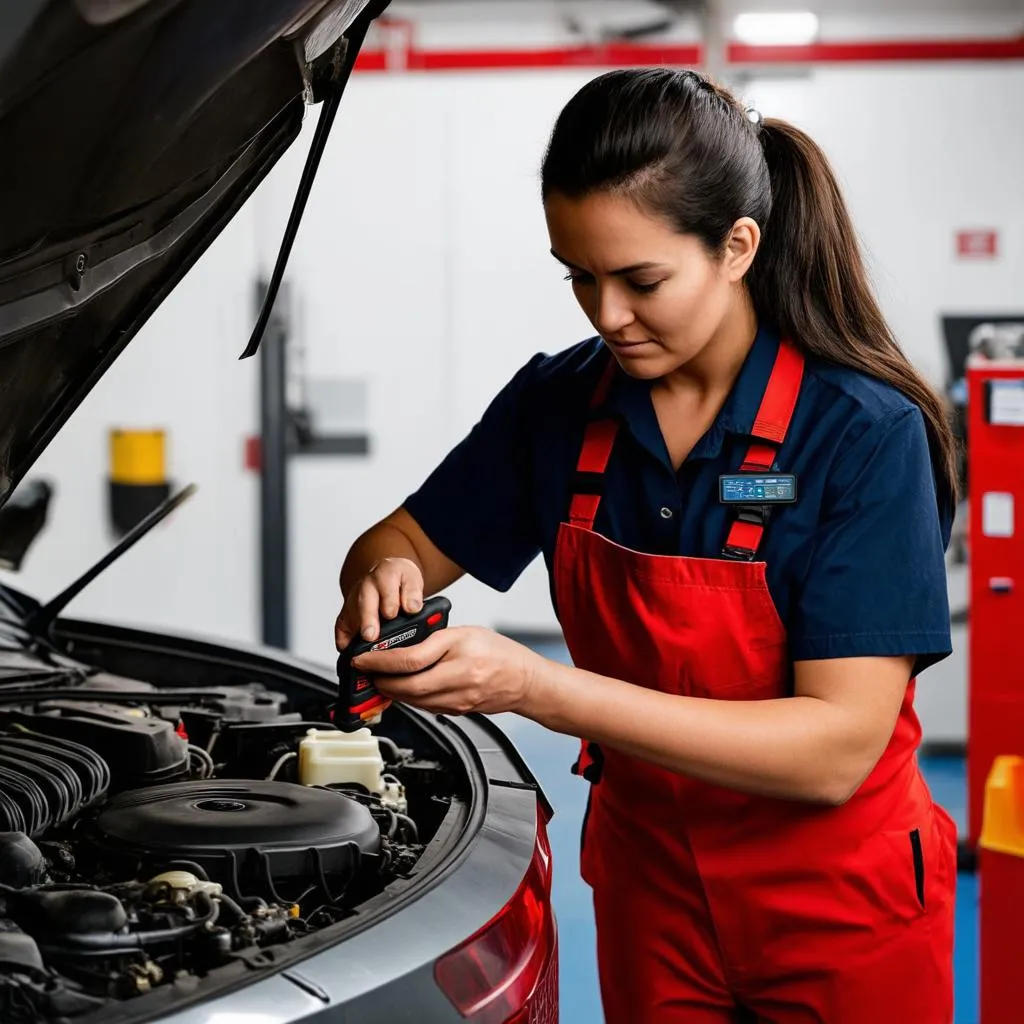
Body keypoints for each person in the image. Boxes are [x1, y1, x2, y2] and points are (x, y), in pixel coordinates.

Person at [336, 68, 958, 1023]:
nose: (606, 314)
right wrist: (385, 573)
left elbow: (834, 748)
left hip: (838, 903)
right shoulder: (555, 406)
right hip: (652, 894)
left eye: (641, 280)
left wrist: (537, 688)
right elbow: (404, 537)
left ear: (737, 247)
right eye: (579, 275)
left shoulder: (860, 433)